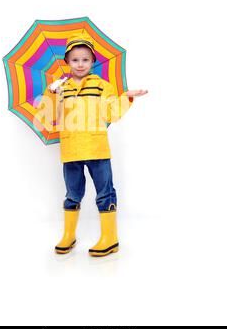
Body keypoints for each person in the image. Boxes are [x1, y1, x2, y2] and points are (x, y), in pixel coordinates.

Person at [37, 30, 148, 256]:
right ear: (67, 61)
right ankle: (69, 235)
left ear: (93, 61)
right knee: (72, 194)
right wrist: (51, 94)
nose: (80, 64)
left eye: (85, 59)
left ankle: (110, 237)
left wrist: (126, 96)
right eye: (75, 60)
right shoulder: (61, 87)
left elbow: (111, 114)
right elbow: (50, 118)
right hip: (70, 150)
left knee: (105, 192)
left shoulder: (101, 85)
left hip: (97, 148)